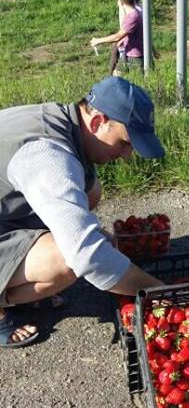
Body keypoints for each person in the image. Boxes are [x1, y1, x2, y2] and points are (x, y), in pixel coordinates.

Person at [0, 77, 167, 348]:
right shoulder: (47, 156)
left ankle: (17, 273)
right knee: (66, 261)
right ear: (98, 121)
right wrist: (157, 290)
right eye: (125, 143)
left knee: (91, 191)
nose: (127, 156)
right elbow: (86, 257)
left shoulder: (61, 119)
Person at [91, 0, 144, 74]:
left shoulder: (133, 17)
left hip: (135, 56)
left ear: (121, 2)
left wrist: (98, 41)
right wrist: (123, 40)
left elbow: (117, 36)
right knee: (117, 75)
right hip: (128, 52)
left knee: (138, 83)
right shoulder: (134, 13)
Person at [102, 0, 142, 74]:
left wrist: (122, 36)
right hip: (125, 32)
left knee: (115, 61)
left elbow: (128, 16)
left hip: (127, 33)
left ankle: (111, 80)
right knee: (115, 58)